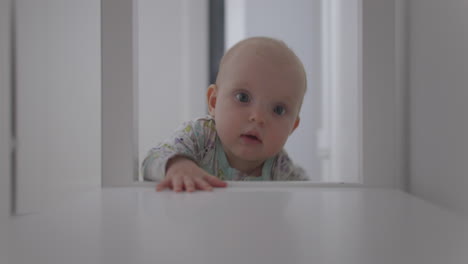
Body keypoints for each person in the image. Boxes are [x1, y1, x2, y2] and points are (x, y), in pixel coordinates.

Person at [142, 36, 308, 192]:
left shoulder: (281, 168)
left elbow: (311, 198)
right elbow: (152, 159)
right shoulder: (200, 136)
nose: (258, 117)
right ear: (214, 102)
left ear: (292, 127)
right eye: (243, 97)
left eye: (278, 109)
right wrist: (178, 166)